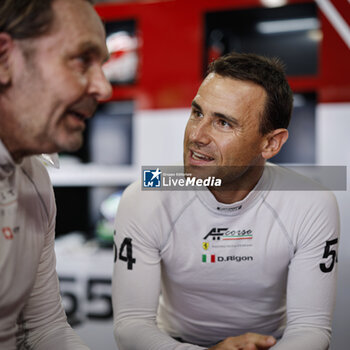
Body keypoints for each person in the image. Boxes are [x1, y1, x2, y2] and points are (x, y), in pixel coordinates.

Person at [112, 52, 340, 350]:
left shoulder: (312, 201)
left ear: (270, 143)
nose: (197, 135)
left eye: (223, 123)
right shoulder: (145, 192)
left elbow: (311, 329)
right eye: (197, 113)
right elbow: (130, 326)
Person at [0, 0, 112, 348]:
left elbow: (44, 328)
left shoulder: (33, 177)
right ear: (4, 59)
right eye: (82, 60)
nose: (103, 88)